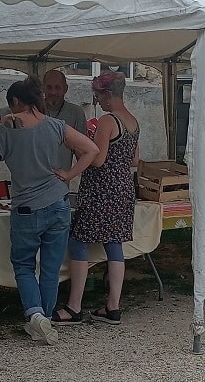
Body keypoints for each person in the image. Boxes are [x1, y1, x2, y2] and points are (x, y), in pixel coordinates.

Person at [0, 77, 98, 345]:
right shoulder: (56, 126)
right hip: (58, 204)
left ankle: (35, 314)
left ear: (16, 102)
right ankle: (45, 318)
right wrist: (68, 174)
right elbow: (91, 149)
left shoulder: (7, 132)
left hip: (27, 208)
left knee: (23, 266)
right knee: (51, 268)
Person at [54, 72, 139, 327]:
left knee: (78, 241)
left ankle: (74, 306)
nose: (97, 100)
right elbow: (134, 159)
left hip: (101, 191)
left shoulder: (107, 120)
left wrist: (75, 149)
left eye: (98, 95)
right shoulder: (132, 121)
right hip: (123, 189)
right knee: (114, 244)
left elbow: (98, 159)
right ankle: (113, 306)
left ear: (106, 94)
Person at [0, 69, 88, 190]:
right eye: (49, 87)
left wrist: (71, 172)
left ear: (65, 89)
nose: (53, 92)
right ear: (43, 88)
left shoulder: (76, 112)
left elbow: (85, 152)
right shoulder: (31, 107)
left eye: (58, 87)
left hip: (58, 184)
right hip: (29, 184)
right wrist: (12, 141)